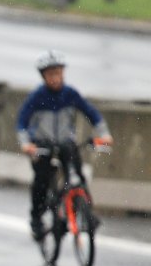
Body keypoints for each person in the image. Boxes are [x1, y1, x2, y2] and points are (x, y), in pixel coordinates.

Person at [17, 49, 113, 240]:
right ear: (43, 76)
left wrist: (104, 134)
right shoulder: (37, 97)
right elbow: (22, 122)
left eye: (59, 73)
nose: (55, 78)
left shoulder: (70, 94)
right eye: (51, 74)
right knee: (41, 181)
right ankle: (36, 219)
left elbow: (91, 113)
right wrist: (26, 144)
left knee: (77, 175)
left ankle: (86, 212)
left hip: (65, 143)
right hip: (42, 145)